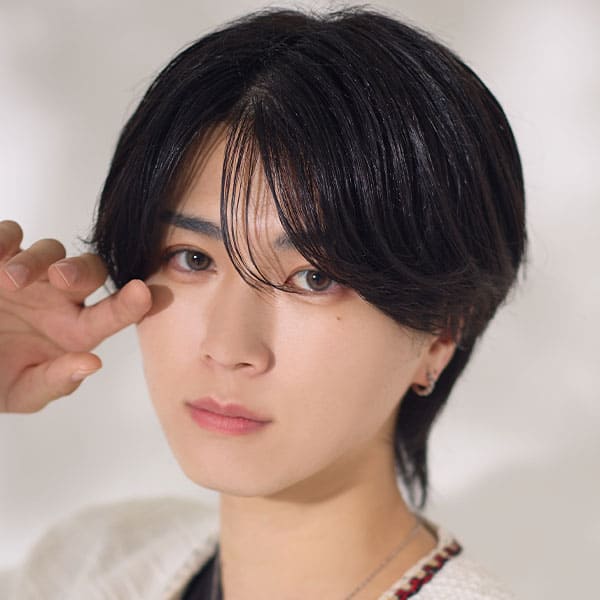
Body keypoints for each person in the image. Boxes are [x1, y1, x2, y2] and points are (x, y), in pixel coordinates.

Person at [0, 6, 526, 599]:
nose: (228, 348)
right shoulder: (91, 566)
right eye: (193, 258)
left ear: (441, 332)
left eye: (314, 278)